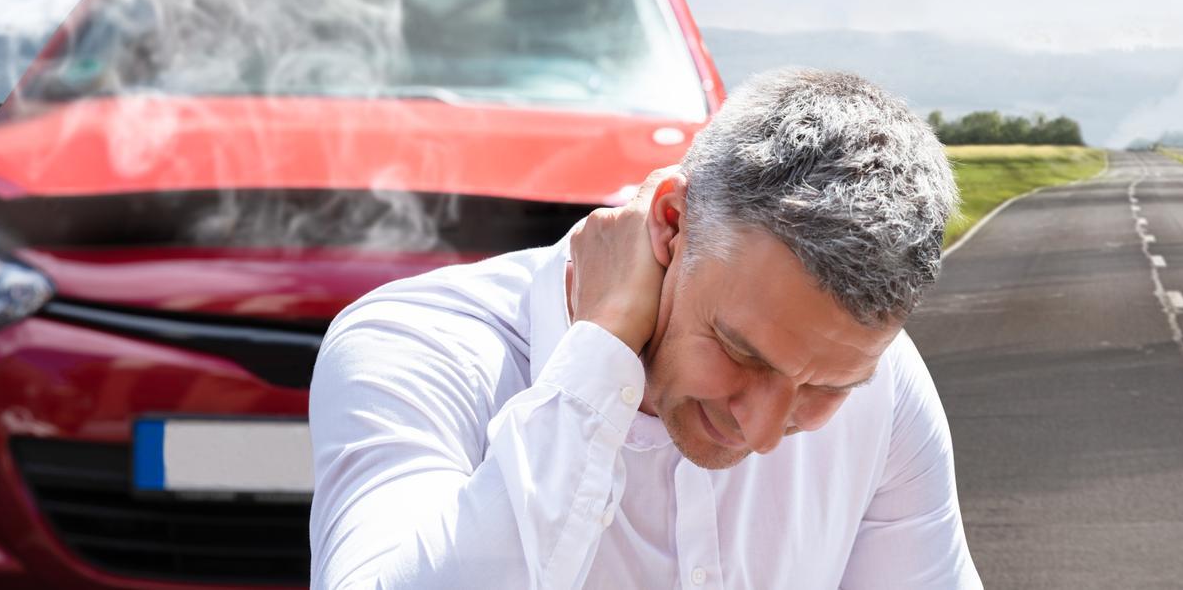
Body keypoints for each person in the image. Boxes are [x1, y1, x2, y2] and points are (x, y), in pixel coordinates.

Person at [308, 68, 983, 589]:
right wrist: (598, 355)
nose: (766, 430)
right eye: (740, 351)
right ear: (668, 222)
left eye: (825, 387)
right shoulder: (415, 346)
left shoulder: (886, 382)